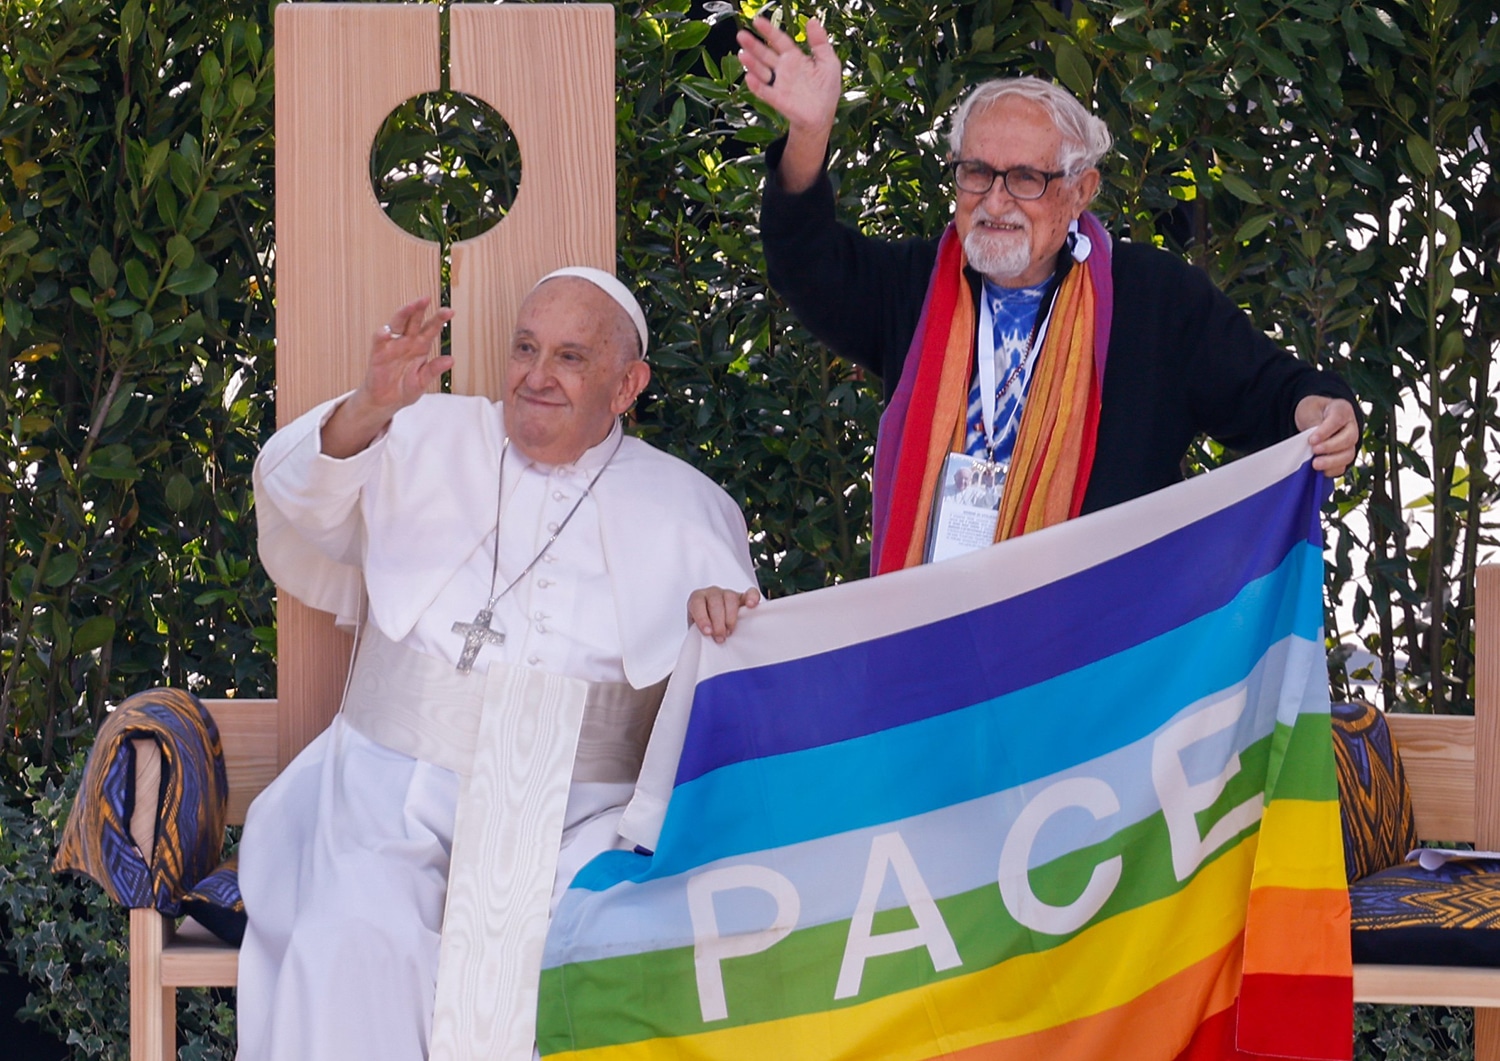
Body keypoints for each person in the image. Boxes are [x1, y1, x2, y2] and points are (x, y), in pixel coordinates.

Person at [237, 268, 757, 1060]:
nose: (536, 376)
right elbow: (298, 494)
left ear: (628, 385)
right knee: (352, 934)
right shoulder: (421, 431)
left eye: (570, 357)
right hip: (389, 787)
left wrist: (718, 626)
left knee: (599, 956)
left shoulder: (690, 507)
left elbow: (735, 690)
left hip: (580, 819)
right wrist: (372, 402)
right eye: (525, 348)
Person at [730, 16, 1359, 579]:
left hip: (1090, 656)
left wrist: (1321, 411)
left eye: (1026, 178)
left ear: (1081, 191)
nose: (996, 200)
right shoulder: (916, 285)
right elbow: (805, 261)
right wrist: (810, 133)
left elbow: (1271, 393)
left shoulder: (1154, 299)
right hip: (934, 634)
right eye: (977, 172)